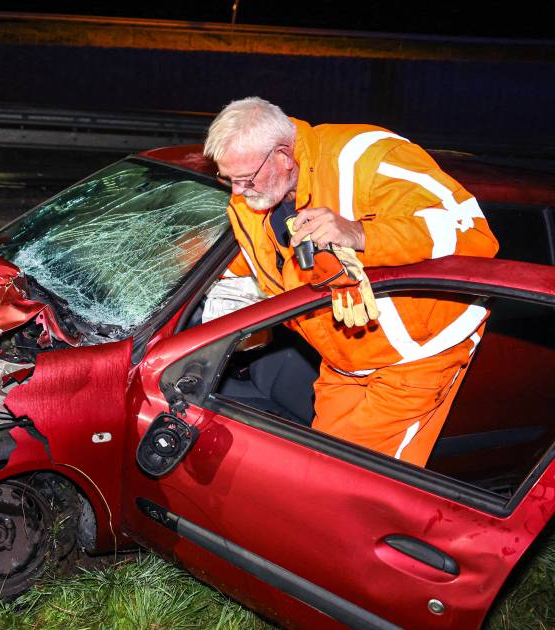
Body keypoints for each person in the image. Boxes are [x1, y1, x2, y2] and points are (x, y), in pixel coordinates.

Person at [204, 96, 498, 466]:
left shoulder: (364, 157)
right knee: (323, 472)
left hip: (416, 357)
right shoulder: (251, 202)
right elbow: (256, 262)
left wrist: (361, 234)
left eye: (245, 178)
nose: (237, 191)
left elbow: (471, 232)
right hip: (343, 360)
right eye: (227, 179)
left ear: (283, 156)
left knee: (360, 490)